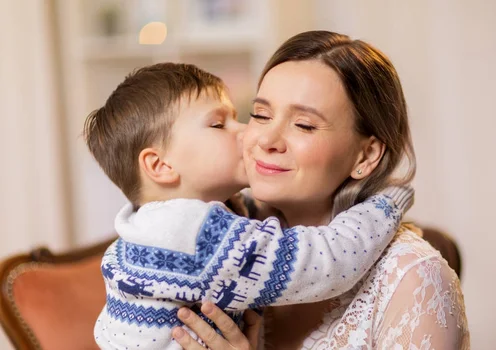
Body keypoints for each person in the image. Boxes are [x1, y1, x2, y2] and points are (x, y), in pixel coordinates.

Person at [171, 31, 470, 349]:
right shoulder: (224, 248)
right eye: (261, 115)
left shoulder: (414, 278)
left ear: (366, 156)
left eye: (304, 125)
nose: (267, 140)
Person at [83, 62, 415, 349]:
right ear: (160, 166)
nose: (247, 132)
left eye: (245, 116)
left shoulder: (152, 226)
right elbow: (332, 259)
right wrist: (385, 203)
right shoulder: (200, 238)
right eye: (218, 124)